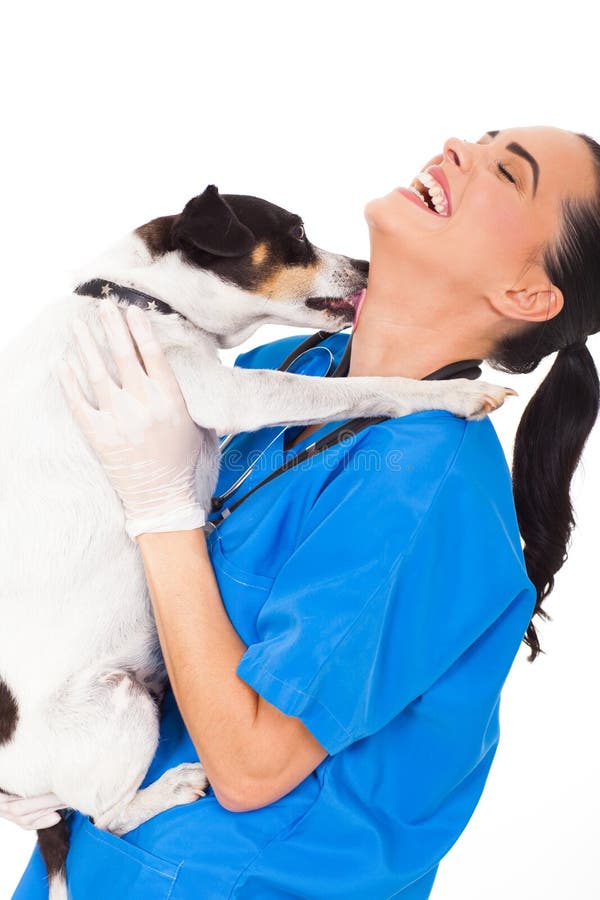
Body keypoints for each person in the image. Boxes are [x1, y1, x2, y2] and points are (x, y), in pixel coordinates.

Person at [5, 125, 600, 899]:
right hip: (91, 858)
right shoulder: (282, 372)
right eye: (480, 137)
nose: (456, 147)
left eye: (505, 171)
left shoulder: (425, 493)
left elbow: (252, 767)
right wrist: (29, 734)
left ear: (526, 295)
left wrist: (163, 508)